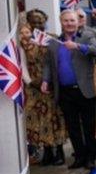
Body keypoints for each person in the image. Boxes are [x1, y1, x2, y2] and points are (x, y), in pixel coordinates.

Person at [42, 9, 96, 169]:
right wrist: (45, 80)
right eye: (66, 20)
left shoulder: (87, 36)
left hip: (85, 90)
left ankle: (91, 156)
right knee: (72, 126)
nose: (69, 23)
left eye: (72, 20)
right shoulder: (54, 42)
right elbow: (48, 63)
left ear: (78, 22)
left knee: (89, 126)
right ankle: (79, 156)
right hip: (64, 91)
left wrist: (78, 46)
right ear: (61, 22)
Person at [18, 18, 66, 165]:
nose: (37, 24)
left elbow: (59, 60)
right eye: (35, 22)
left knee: (54, 117)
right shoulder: (23, 45)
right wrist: (31, 82)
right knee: (39, 120)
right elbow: (22, 65)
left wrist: (51, 80)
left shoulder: (51, 39)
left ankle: (59, 150)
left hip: (51, 85)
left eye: (40, 22)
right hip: (34, 87)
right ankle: (46, 151)